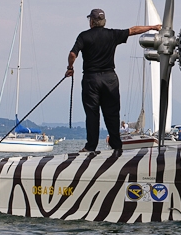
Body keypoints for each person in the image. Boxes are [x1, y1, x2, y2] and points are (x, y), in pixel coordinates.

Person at [66, 8, 160, 153]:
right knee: (112, 113)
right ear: (104, 22)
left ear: (91, 22)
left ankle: (91, 147)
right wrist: (153, 27)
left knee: (92, 114)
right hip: (110, 78)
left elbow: (73, 54)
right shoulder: (112, 34)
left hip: (91, 79)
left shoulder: (84, 36)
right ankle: (116, 146)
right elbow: (133, 30)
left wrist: (70, 67)